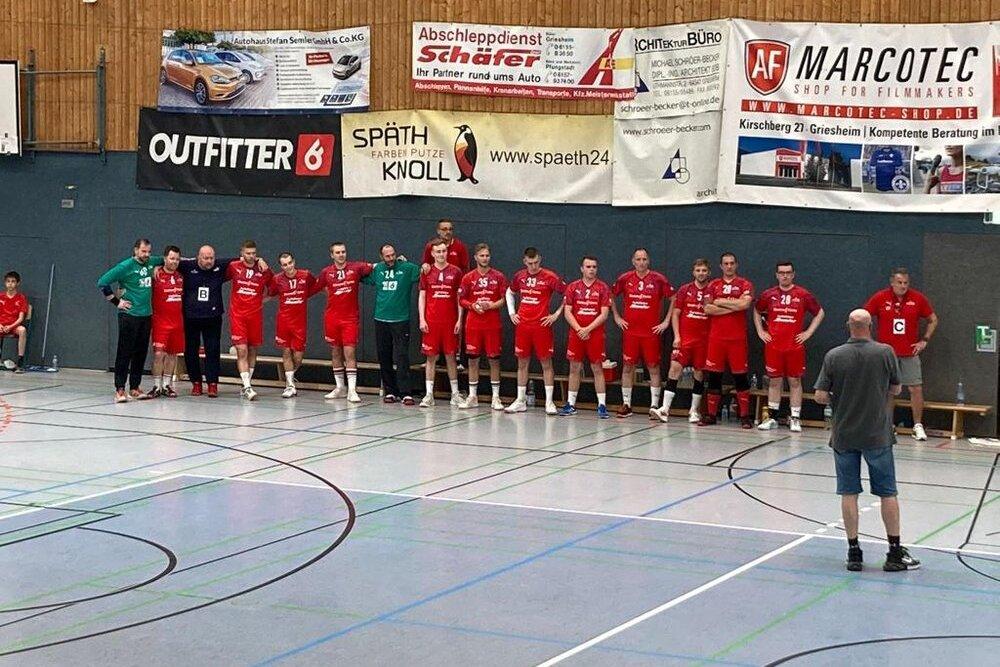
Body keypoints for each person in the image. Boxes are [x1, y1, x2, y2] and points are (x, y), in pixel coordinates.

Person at [814, 309, 920, 572]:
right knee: (887, 492)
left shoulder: (834, 355)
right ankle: (894, 553)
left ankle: (854, 552)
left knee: (849, 492)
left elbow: (819, 396)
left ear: (848, 326)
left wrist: (840, 396)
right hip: (877, 434)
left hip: (844, 434)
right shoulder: (885, 352)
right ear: (871, 326)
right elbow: (896, 388)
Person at [864, 268, 938, 441]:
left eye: (906, 283)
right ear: (892, 282)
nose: (903, 286)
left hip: (909, 352)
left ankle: (917, 426)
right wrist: (869, 341)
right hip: (886, 353)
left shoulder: (918, 298)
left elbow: (933, 319)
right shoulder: (880, 297)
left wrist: (924, 340)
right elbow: (864, 317)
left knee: (916, 388)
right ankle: (887, 425)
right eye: (899, 282)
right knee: (888, 390)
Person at [754, 261, 825, 432]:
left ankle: (795, 418)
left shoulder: (802, 294)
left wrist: (808, 333)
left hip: (794, 346)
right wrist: (760, 331)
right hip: (774, 346)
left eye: (788, 272)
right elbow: (756, 311)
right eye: (781, 272)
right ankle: (772, 417)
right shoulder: (768, 294)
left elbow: (820, 312)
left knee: (794, 381)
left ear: (793, 274)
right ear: (776, 275)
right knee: (774, 381)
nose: (784, 275)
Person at [97, 238, 164, 403]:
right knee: (124, 351)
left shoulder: (152, 262)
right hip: (129, 315)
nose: (147, 255)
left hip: (146, 315)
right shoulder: (125, 266)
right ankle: (120, 389)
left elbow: (169, 260)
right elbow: (102, 282)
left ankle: (135, 387)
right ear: (135, 250)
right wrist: (117, 301)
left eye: (149, 252)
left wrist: (159, 267)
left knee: (140, 353)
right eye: (143, 251)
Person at [611, 248, 674, 418]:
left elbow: (674, 298)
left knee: (653, 367)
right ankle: (626, 404)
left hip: (651, 332)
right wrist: (617, 317)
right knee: (628, 367)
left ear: (648, 261)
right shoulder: (625, 278)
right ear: (633, 261)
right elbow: (609, 295)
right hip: (630, 332)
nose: (641, 262)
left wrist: (666, 321)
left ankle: (654, 405)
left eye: (644, 259)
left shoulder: (659, 279)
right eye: (638, 259)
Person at [504, 247, 565, 415]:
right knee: (522, 363)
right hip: (523, 325)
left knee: (546, 363)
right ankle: (520, 400)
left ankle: (549, 402)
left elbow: (568, 295)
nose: (533, 266)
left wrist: (556, 314)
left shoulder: (550, 277)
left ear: (540, 260)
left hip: (542, 326)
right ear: (525, 262)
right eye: (530, 263)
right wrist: (511, 312)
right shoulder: (519, 276)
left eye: (536, 262)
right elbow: (509, 292)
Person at [652, 259, 711, 423]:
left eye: (704, 270)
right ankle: (665, 409)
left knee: (699, 373)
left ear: (709, 273)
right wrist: (677, 336)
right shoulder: (685, 289)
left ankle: (693, 411)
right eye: (698, 270)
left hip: (704, 341)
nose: (701, 273)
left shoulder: (713, 290)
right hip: (685, 339)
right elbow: (676, 314)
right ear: (693, 272)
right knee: (674, 369)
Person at [699, 252, 754, 428]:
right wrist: (734, 306)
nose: (729, 266)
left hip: (737, 339)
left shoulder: (745, 284)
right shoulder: (713, 285)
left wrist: (721, 301)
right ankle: (711, 415)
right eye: (725, 263)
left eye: (732, 263)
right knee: (714, 377)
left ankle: (745, 416)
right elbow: (708, 309)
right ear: (721, 266)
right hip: (717, 339)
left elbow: (745, 304)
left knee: (741, 378)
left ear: (736, 265)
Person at [363, 243, 421, 405]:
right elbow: (359, 275)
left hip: (401, 319)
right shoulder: (378, 269)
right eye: (387, 256)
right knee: (384, 355)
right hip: (381, 319)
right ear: (381, 257)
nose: (391, 258)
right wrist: (370, 266)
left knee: (402, 355)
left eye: (393, 255)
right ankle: (390, 391)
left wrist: (425, 265)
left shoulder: (407, 267)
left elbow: (424, 272)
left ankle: (405, 392)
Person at [315, 242, 372, 402]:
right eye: (338, 252)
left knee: (350, 352)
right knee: (335, 352)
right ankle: (340, 387)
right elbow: (317, 286)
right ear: (332, 255)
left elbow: (376, 267)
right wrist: (331, 293)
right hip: (332, 318)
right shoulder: (326, 272)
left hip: (350, 319)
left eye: (343, 252)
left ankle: (352, 390)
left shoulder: (356, 268)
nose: (341, 255)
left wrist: (398, 262)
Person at [179, 245, 236, 398]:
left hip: (213, 317)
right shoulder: (187, 266)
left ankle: (212, 384)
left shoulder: (220, 266)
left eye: (211, 258)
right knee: (191, 350)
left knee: (213, 349)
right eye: (206, 258)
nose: (209, 261)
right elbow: (166, 262)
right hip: (191, 317)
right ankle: (196, 383)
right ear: (199, 257)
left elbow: (243, 259)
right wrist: (157, 269)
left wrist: (259, 260)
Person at [560, 256, 612, 419]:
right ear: (582, 268)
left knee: (597, 368)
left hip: (595, 334)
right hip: (576, 334)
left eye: (594, 267)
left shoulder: (603, 288)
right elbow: (567, 311)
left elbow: (604, 314)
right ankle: (570, 404)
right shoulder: (573, 287)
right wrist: (578, 329)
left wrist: (588, 329)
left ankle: (602, 406)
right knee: (574, 368)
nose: (591, 269)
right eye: (588, 266)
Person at [458, 243, 507, 410]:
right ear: (476, 257)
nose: (485, 258)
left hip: (492, 324)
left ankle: (495, 397)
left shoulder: (499, 276)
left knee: (494, 360)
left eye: (487, 255)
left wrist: (490, 305)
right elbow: (462, 300)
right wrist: (473, 306)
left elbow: (503, 299)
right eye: (482, 255)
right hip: (473, 324)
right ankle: (473, 396)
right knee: (473, 360)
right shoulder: (468, 277)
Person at [418, 239, 464, 407]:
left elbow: (460, 297)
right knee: (431, 358)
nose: (441, 254)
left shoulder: (456, 271)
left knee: (451, 357)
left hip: (450, 321)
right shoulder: (426, 271)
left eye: (444, 251)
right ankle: (429, 395)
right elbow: (422, 296)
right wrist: (422, 318)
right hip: (431, 321)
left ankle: (455, 394)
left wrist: (459, 318)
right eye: (438, 252)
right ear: (432, 253)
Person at [226, 240, 273, 401]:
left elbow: (274, 287)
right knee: (242, 350)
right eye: (248, 253)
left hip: (255, 316)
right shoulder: (234, 267)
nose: (251, 256)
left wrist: (264, 299)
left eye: (254, 253)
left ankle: (247, 384)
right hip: (238, 315)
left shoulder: (263, 269)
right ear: (242, 253)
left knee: (253, 350)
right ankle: (247, 386)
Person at [269, 252, 316, 399]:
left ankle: (290, 376)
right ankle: (290, 385)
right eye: (284, 265)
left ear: (294, 262)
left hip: (299, 323)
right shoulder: (277, 279)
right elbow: (270, 294)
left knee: (298, 356)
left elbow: (317, 286)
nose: (288, 267)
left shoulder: (306, 275)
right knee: (286, 352)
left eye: (290, 263)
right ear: (281, 266)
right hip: (283, 322)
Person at [148, 246, 184, 398]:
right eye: (171, 258)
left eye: (177, 259)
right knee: (158, 354)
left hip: (177, 322)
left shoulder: (181, 276)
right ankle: (156, 386)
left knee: (172, 354)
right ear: (164, 259)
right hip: (160, 322)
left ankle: (167, 385)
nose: (174, 262)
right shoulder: (155, 275)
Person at [0, 271, 28, 373]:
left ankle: (20, 362)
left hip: (14, 326)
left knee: (23, 330)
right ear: (5, 283)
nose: (10, 284)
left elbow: (21, 318)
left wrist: (10, 327)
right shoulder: (1, 296)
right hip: (1, 325)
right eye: (8, 281)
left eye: (13, 281)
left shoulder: (21, 298)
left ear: (18, 283)